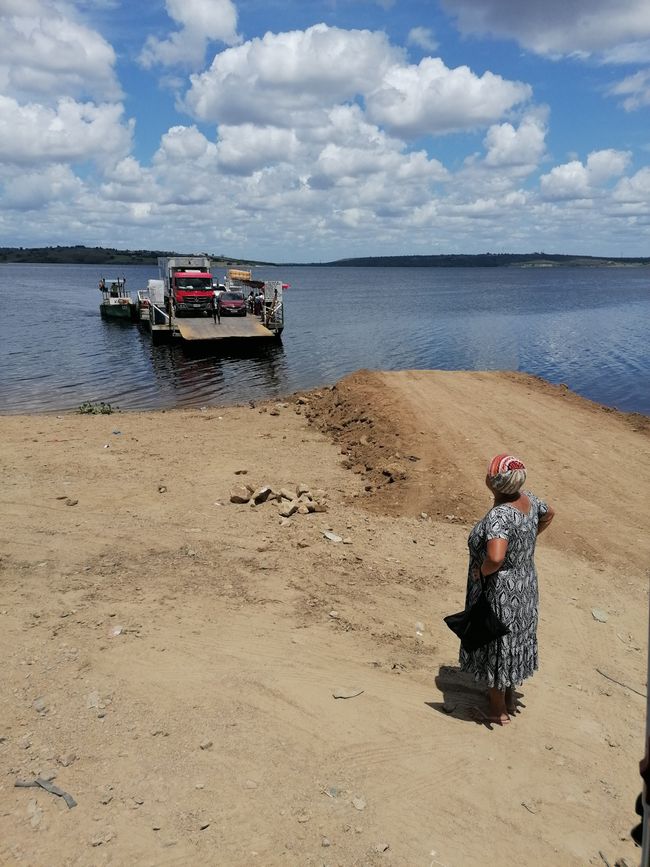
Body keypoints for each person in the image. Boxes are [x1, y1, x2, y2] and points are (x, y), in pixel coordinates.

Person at [459, 453, 555, 725]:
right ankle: (509, 697)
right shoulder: (529, 500)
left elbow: (496, 556)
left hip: (500, 591)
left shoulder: (500, 515)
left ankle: (497, 711)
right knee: (514, 641)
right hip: (525, 584)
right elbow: (548, 514)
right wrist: (526, 540)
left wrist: (482, 571)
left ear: (493, 482)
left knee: (496, 645)